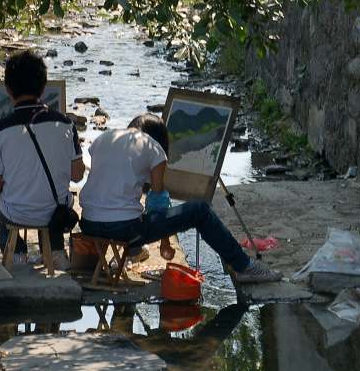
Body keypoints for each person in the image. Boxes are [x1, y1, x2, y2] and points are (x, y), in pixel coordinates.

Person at [78, 113, 282, 283]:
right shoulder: (153, 147)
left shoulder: (104, 139)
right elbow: (157, 201)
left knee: (127, 210)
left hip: (88, 224)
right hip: (124, 230)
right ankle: (244, 266)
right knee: (200, 211)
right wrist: (165, 241)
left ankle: (132, 251)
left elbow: (106, 186)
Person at [0, 49, 84, 269]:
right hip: (56, 211)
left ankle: (16, 251)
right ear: (44, 86)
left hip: (15, 214)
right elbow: (77, 176)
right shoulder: (66, 125)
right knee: (57, 191)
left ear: (8, 89)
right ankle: (56, 250)